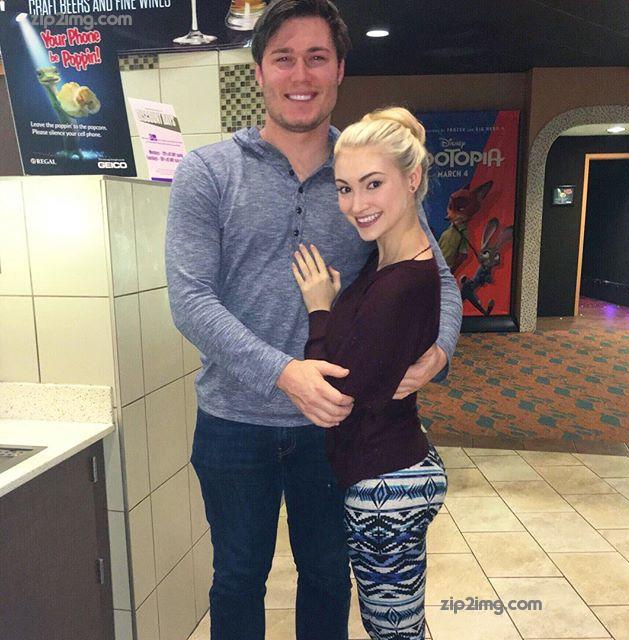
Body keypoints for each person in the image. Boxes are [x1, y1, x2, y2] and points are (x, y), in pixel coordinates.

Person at [165, 1, 462, 639]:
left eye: (317, 57)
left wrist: (440, 347)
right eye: (284, 58)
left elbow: (436, 272)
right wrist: (285, 373)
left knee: (328, 575)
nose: (300, 75)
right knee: (237, 577)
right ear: (258, 72)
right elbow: (190, 298)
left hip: (335, 427)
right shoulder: (208, 172)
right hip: (234, 421)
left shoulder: (363, 166)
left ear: (339, 70)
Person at [291, 106, 448, 640]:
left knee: (393, 632)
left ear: (413, 178)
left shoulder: (402, 281)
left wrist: (319, 309)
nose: (357, 205)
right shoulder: (384, 261)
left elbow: (335, 395)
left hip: (387, 481)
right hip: (393, 466)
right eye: (344, 188)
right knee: (398, 626)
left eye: (373, 184)